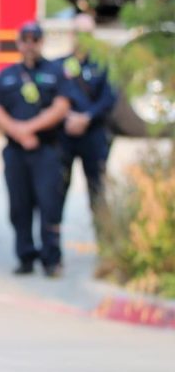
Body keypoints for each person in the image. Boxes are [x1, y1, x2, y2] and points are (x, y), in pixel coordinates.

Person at [0, 23, 71, 278]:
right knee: (19, 206)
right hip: (16, 150)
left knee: (49, 205)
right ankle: (25, 256)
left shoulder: (55, 72)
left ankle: (51, 259)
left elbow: (61, 106)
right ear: (19, 42)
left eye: (35, 39)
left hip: (46, 149)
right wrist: (18, 132)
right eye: (25, 39)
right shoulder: (8, 75)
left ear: (41, 42)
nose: (30, 44)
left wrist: (30, 128)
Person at [58, 13, 116, 229]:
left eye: (87, 34)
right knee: (57, 191)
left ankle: (106, 249)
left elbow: (109, 98)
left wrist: (86, 117)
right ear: (71, 35)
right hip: (66, 135)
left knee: (97, 191)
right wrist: (67, 116)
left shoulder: (102, 66)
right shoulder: (61, 65)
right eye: (78, 33)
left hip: (93, 134)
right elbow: (54, 97)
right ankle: (52, 256)